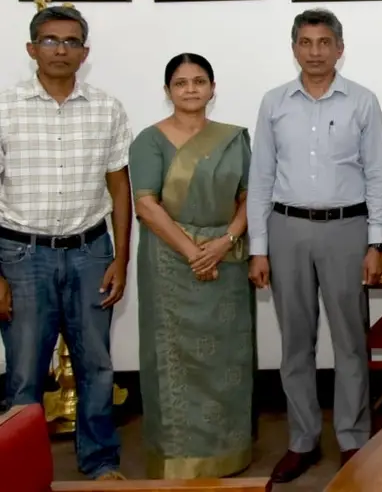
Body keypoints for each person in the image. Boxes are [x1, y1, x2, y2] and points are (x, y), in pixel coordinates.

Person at [246, 8, 382, 482]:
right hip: (286, 228)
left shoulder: (362, 101)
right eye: (306, 43)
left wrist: (376, 242)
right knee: (295, 342)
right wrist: (259, 247)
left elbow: (378, 175)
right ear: (294, 49)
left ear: (339, 49)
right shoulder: (274, 103)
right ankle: (302, 440)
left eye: (324, 42)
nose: (315, 52)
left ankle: (353, 437)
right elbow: (261, 176)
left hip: (346, 229)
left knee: (350, 341)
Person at [0, 0, 131, 481]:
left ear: (85, 52)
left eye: (72, 42)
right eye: (51, 41)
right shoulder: (5, 107)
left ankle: (100, 464)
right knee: (24, 371)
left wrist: (121, 258)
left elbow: (119, 187)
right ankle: (21, 471)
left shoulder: (107, 108)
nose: (61, 49)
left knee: (96, 363)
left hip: (90, 251)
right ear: (32, 48)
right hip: (21, 255)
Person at [129, 53, 254, 478]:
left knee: (227, 358)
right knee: (173, 361)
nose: (190, 90)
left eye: (199, 81)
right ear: (167, 91)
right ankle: (176, 457)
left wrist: (225, 241)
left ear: (213, 89)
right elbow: (146, 205)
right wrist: (193, 251)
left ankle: (230, 451)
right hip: (169, 262)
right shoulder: (149, 140)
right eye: (181, 83)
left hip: (226, 259)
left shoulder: (233, 139)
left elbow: (249, 196)